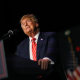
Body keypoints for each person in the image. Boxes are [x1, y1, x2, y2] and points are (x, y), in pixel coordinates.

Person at [14, 14, 57, 80]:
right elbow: (17, 65)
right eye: (22, 24)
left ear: (36, 24)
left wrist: (47, 59)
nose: (25, 24)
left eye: (28, 21)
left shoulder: (49, 36)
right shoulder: (20, 47)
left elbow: (52, 50)